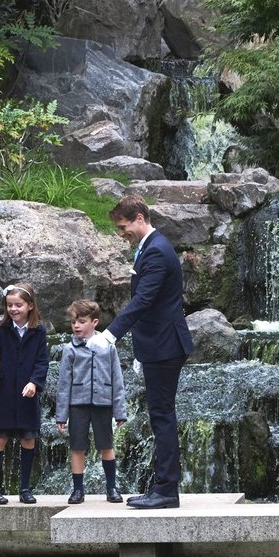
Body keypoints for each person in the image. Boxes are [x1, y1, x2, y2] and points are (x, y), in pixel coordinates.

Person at [87, 196, 194, 509]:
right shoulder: (150, 246)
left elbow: (143, 301)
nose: (122, 233)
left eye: (123, 227)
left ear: (138, 218)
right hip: (157, 344)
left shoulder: (157, 251)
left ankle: (166, 491)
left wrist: (109, 336)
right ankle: (162, 487)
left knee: (162, 417)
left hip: (165, 346)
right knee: (160, 415)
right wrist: (140, 350)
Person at [0, 282, 50, 504]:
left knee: (28, 440)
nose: (13, 309)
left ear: (30, 306)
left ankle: (25, 489)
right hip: (3, 393)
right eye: (9, 305)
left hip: (27, 396)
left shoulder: (39, 331)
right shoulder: (1, 330)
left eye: (18, 305)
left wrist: (35, 383)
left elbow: (42, 362)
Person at [54, 299, 127, 504]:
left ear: (94, 322)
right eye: (73, 322)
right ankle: (78, 490)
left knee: (106, 445)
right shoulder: (70, 349)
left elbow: (117, 380)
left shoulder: (108, 347)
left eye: (82, 321)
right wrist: (61, 415)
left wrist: (120, 411)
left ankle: (111, 488)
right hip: (77, 404)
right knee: (77, 446)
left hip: (103, 403)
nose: (76, 325)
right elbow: (63, 384)